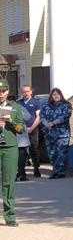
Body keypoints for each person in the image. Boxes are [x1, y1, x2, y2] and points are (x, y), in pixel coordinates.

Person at [0, 80, 25, 224]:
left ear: (8, 91)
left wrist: (11, 122)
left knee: (8, 182)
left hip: (9, 147)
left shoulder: (14, 107)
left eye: (3, 90)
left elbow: (21, 129)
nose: (1, 93)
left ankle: (9, 216)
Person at [40, 88, 71, 179]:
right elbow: (42, 116)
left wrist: (53, 123)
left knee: (61, 153)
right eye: (54, 94)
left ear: (61, 95)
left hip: (62, 134)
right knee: (52, 154)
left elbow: (65, 116)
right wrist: (46, 123)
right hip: (49, 134)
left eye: (58, 94)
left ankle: (61, 172)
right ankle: (55, 171)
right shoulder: (46, 105)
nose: (56, 96)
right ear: (51, 96)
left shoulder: (66, 105)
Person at [16, 85, 42, 180]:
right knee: (21, 151)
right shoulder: (18, 103)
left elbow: (38, 117)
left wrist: (31, 128)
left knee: (34, 149)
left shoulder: (36, 102)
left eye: (27, 91)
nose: (25, 93)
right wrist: (20, 128)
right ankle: (21, 171)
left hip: (33, 129)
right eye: (24, 92)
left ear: (31, 92)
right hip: (21, 130)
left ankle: (36, 168)